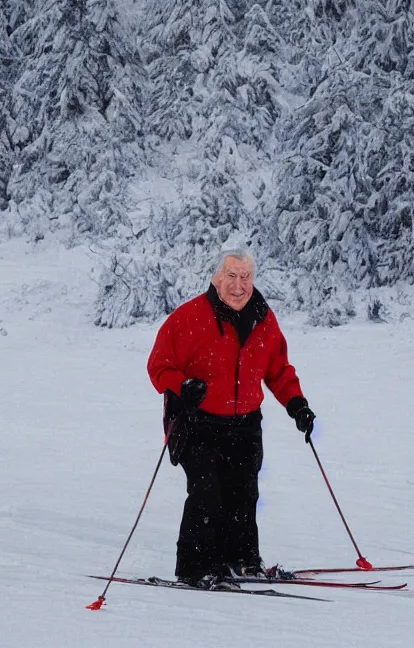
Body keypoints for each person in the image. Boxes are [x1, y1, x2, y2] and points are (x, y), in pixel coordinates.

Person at [147, 249, 317, 589]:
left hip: (245, 422)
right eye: (231, 276)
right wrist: (181, 386)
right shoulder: (188, 317)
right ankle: (196, 568)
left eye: (245, 277)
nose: (238, 286)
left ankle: (241, 559)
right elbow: (159, 365)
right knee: (207, 490)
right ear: (216, 278)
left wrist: (296, 404)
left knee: (244, 491)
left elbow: (278, 369)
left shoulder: (262, 318)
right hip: (196, 421)